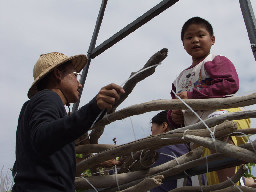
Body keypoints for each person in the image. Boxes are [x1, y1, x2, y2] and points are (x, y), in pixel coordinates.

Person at [12, 52, 125, 192]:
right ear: (58, 74)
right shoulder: (48, 97)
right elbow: (41, 138)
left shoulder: (36, 108)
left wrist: (99, 161)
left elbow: (49, 159)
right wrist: (93, 108)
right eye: (75, 76)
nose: (80, 84)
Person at [167, 17, 250, 185]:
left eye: (200, 35)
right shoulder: (178, 80)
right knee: (208, 175)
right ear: (183, 44)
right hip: (197, 132)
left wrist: (192, 97)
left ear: (212, 39)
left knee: (218, 133)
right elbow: (173, 108)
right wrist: (173, 116)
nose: (195, 40)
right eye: (189, 37)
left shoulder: (215, 61)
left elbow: (230, 84)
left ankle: (230, 186)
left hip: (225, 117)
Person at [150, 110, 202, 192]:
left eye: (152, 129)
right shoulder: (189, 148)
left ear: (164, 126)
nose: (151, 135)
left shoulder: (159, 150)